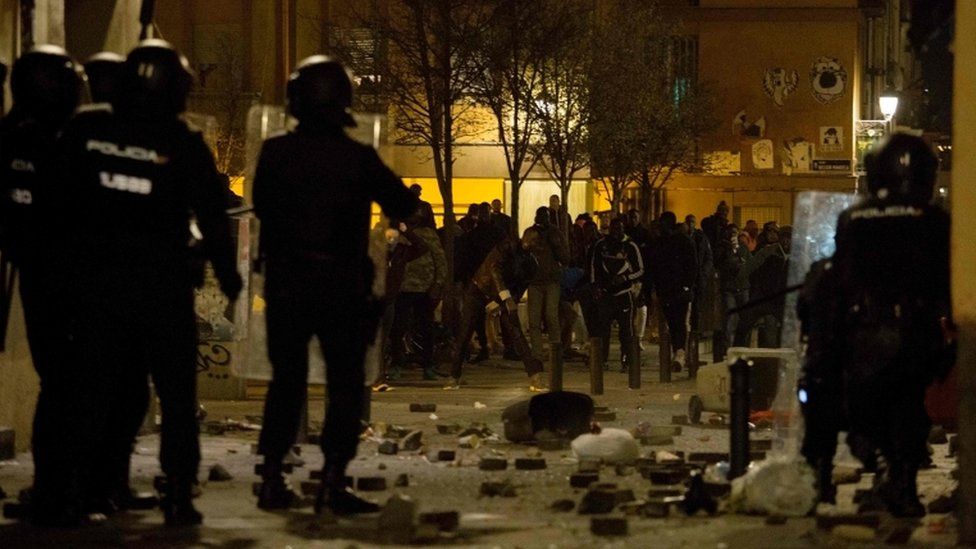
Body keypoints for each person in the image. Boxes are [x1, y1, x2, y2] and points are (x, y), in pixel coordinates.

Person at [45, 40, 243, 526]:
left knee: (93, 390)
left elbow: (55, 203)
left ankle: (80, 491)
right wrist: (230, 274)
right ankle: (177, 492)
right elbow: (215, 217)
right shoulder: (181, 142)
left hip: (98, 289)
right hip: (161, 291)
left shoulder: (86, 128)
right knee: (174, 398)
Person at [252, 55, 416, 515]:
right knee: (344, 386)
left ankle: (270, 478)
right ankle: (331, 481)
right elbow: (403, 202)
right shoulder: (357, 157)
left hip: (287, 283)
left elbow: (263, 206)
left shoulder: (276, 152)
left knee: (286, 383)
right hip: (341, 287)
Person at [832, 134, 951, 517]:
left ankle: (889, 477)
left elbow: (843, 279)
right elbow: (945, 278)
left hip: (866, 329)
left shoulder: (853, 218)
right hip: (916, 329)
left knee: (867, 410)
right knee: (908, 407)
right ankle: (902, 483)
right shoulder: (934, 220)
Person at [0, 45, 84, 526]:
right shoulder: (73, 140)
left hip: (37, 271)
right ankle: (63, 485)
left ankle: (59, 484)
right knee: (69, 383)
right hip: (67, 273)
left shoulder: (13, 137)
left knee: (61, 380)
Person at [445, 236, 545, 390]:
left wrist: (505, 301)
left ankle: (534, 376)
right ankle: (453, 375)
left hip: (501, 295)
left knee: (515, 331)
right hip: (480, 289)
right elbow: (494, 269)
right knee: (465, 331)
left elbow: (520, 287)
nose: (532, 246)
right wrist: (505, 298)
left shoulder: (531, 264)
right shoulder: (508, 246)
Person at [387, 207, 446, 380]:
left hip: (424, 288)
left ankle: (428, 365)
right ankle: (397, 363)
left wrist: (438, 283)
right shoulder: (396, 233)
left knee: (426, 328)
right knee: (398, 328)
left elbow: (439, 259)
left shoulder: (428, 234)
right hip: (401, 288)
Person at [589, 217, 644, 372]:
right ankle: (602, 360)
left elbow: (640, 270)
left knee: (626, 330)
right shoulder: (601, 245)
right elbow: (594, 267)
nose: (616, 232)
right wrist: (596, 287)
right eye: (613, 228)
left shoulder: (631, 246)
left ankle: (627, 360)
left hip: (624, 294)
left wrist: (625, 278)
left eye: (619, 228)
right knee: (603, 330)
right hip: (605, 294)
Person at [522, 206, 569, 374]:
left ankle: (555, 352)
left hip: (551, 280)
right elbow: (523, 252)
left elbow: (565, 256)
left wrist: (555, 246)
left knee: (551, 316)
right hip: (535, 281)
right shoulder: (530, 233)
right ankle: (537, 355)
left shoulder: (555, 233)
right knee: (534, 321)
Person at [649, 212, 697, 372]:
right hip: (665, 290)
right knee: (671, 321)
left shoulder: (683, 241)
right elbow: (654, 267)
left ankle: (680, 353)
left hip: (679, 290)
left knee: (680, 321)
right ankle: (677, 352)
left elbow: (692, 265)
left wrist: (686, 286)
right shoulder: (659, 243)